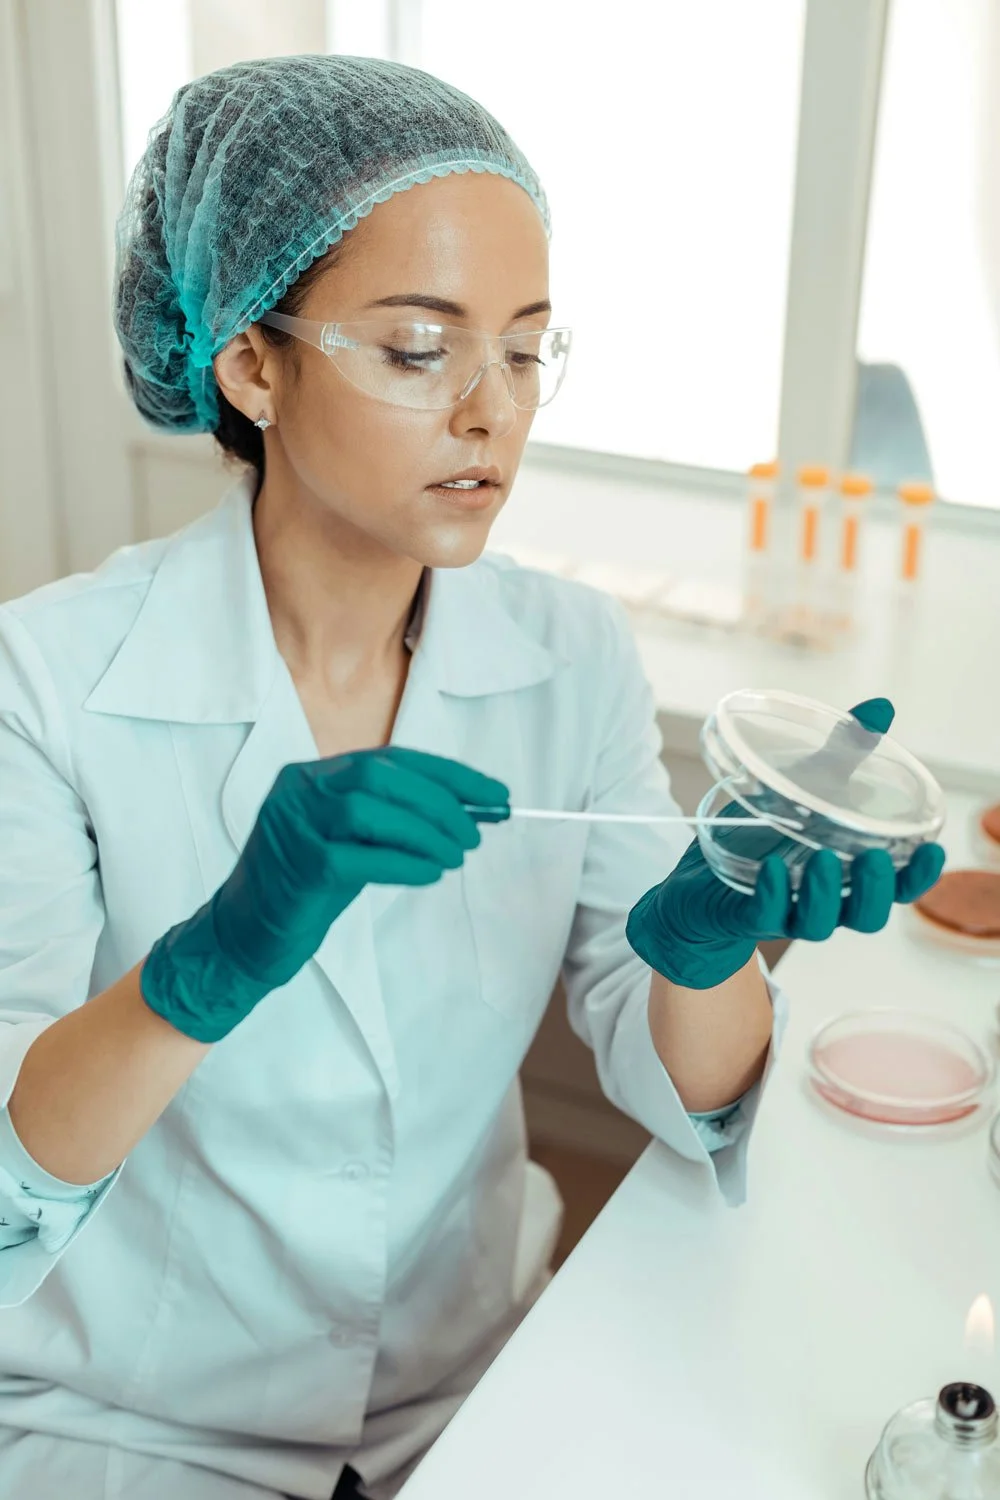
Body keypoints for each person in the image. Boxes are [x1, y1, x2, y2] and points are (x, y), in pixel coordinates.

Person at [0, 54, 944, 1500]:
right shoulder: (46, 684)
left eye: (524, 347)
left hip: (469, 1383)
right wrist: (203, 971)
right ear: (252, 364)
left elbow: (668, 1067)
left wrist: (706, 949)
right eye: (418, 348)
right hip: (134, 1418)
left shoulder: (569, 650)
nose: (493, 413)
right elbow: (14, 1166)